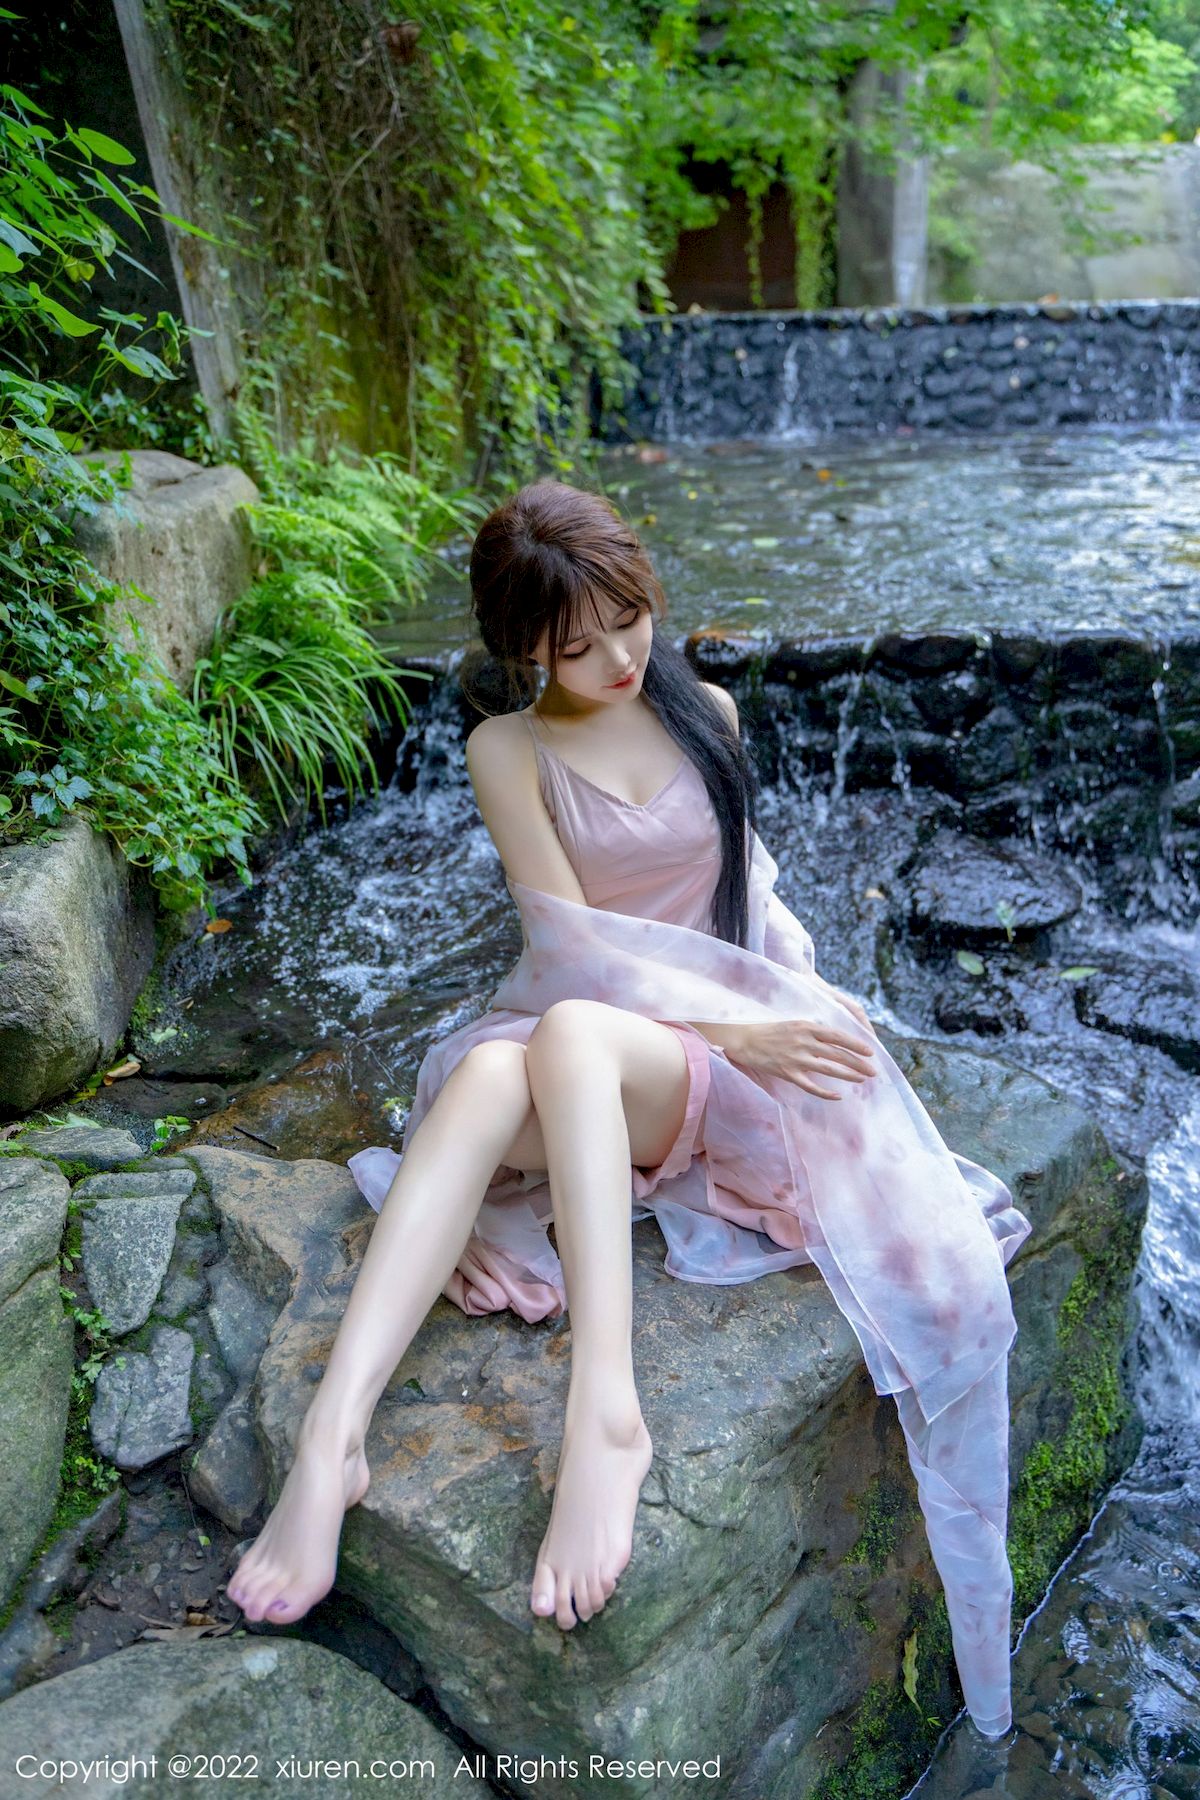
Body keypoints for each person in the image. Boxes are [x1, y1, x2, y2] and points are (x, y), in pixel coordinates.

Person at [226, 479, 1030, 1740]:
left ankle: (608, 1412)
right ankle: (333, 1438)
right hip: (576, 1025)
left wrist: (795, 1016)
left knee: (569, 1046)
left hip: (688, 1067)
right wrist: (737, 1027)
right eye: (573, 646)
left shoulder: (706, 713)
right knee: (495, 1069)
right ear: (521, 652)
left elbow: (750, 911)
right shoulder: (509, 751)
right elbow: (568, 956)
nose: (613, 660)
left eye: (627, 621)